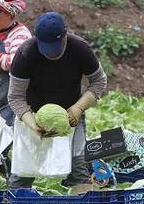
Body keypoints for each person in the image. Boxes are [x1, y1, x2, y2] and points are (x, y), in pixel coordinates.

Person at [6, 12, 108, 189]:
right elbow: (15, 97)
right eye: (45, 47)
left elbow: (99, 81)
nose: (50, 53)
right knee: (22, 173)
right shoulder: (26, 53)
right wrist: (32, 123)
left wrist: (79, 108)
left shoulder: (80, 49)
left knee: (78, 168)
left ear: (65, 36)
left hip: (71, 117)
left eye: (54, 46)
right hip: (33, 116)